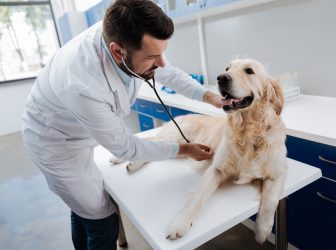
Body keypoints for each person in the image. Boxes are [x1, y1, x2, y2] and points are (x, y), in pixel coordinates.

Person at [22, 0, 223, 249]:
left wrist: (209, 96)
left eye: (162, 52)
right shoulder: (84, 82)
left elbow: (167, 72)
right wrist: (183, 149)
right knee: (102, 221)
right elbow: (125, 148)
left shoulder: (123, 33)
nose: (160, 62)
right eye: (152, 56)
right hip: (55, 142)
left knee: (82, 208)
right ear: (118, 52)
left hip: (78, 127)